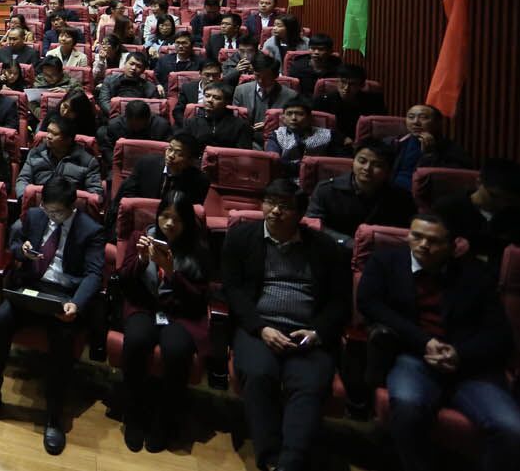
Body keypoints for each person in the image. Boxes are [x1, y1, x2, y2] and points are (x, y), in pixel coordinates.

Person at [357, 213, 520, 471]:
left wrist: (459, 354)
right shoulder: (387, 261)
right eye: (417, 236)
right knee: (407, 406)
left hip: (470, 367)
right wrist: (424, 342)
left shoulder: (475, 274)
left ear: (452, 245)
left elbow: (499, 335)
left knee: (510, 428)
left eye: (433, 241)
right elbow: (369, 303)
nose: (423, 245)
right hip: (415, 355)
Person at [222, 179, 350, 471]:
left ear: (301, 213)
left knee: (308, 384)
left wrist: (317, 332)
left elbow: (339, 302)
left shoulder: (326, 248)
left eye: (285, 206)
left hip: (307, 332)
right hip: (259, 328)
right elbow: (233, 290)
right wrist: (260, 328)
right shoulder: (241, 237)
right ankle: (268, 458)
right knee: (259, 374)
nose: (275, 211)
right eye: (270, 202)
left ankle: (291, 462)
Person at [0, 176, 106, 456]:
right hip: (31, 289)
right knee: (0, 320)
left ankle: (54, 416)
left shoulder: (91, 230)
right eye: (48, 210)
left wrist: (76, 304)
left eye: (58, 212)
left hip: (63, 297)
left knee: (63, 339)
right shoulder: (35, 215)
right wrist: (21, 251)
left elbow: (94, 275)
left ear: (72, 207)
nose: (52, 216)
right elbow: (13, 245)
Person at [117, 191, 212, 453]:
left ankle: (164, 420)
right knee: (136, 340)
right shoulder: (141, 236)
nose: (169, 224)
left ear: (187, 223)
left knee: (177, 349)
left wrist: (171, 272)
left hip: (181, 312)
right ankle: (134, 415)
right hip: (145, 306)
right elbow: (124, 280)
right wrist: (141, 260)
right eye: (165, 216)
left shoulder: (198, 249)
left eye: (177, 219)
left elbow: (199, 297)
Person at [306, 140, 416, 249]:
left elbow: (405, 233)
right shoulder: (327, 189)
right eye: (362, 161)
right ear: (353, 161)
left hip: (380, 251)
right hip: (334, 248)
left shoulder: (402, 197)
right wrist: (346, 241)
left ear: (389, 170)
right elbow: (314, 224)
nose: (367, 168)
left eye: (377, 165)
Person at [434, 159, 520, 273]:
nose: (501, 203)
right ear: (479, 182)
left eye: (508, 200)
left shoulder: (513, 212)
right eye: (494, 196)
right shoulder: (448, 207)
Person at [111, 131, 211, 227]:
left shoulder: (199, 181)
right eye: (170, 149)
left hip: (172, 226)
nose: (170, 156)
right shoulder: (146, 164)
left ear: (191, 160)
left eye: (178, 153)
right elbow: (127, 196)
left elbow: (190, 215)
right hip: (139, 220)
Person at [16, 117, 102, 198]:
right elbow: (23, 180)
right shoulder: (35, 154)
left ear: (68, 140)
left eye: (54, 134)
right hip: (39, 203)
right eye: (48, 131)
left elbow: (95, 192)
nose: (48, 136)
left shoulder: (87, 162)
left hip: (70, 205)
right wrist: (24, 197)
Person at [393, 103, 471, 190]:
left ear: (438, 123)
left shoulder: (451, 150)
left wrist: (429, 155)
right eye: (411, 117)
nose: (415, 122)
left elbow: (449, 181)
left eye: (423, 118)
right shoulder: (397, 142)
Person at [312, 64, 385, 148]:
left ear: (361, 85)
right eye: (343, 82)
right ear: (337, 82)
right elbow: (317, 129)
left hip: (366, 144)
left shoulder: (374, 101)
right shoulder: (322, 101)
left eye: (352, 84)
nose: (346, 88)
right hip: (332, 144)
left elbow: (380, 129)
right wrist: (342, 139)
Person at [233, 55, 298, 143]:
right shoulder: (241, 90)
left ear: (276, 76)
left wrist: (272, 125)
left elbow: (294, 124)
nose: (260, 80)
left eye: (266, 77)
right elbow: (233, 120)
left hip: (277, 141)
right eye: (257, 76)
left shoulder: (291, 96)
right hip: (246, 140)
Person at [181, 82, 254, 149]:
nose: (209, 100)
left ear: (227, 102)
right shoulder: (191, 123)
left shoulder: (240, 125)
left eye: (216, 98)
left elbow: (243, 154)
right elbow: (185, 149)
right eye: (207, 96)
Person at [96, 99, 170, 155]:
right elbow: (108, 150)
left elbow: (167, 151)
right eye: (132, 125)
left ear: (148, 119)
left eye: (139, 125)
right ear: (126, 118)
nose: (136, 128)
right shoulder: (115, 126)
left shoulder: (161, 126)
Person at [96, 51, 160, 113]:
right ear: (125, 63)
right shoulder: (110, 80)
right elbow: (104, 101)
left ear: (143, 70)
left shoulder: (150, 86)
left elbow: (153, 107)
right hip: (115, 115)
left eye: (138, 66)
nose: (133, 68)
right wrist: (116, 114)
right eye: (131, 64)